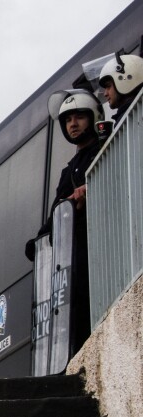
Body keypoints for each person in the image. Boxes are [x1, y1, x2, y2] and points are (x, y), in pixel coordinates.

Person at [25, 89, 106, 354]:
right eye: (68, 119)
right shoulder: (68, 169)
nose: (73, 124)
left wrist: (88, 187)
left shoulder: (107, 146)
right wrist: (40, 240)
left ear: (93, 117)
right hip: (73, 257)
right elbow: (56, 210)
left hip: (99, 249)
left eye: (79, 117)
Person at [98, 52, 143, 129]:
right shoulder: (127, 116)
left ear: (126, 79)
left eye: (108, 86)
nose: (105, 94)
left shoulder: (137, 113)